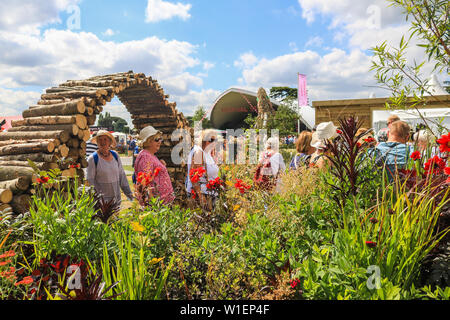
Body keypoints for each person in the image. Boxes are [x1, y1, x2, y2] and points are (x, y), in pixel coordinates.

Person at [87, 130, 133, 206]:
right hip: (102, 203)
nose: (102, 142)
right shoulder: (93, 159)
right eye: (100, 140)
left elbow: (122, 176)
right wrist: (98, 198)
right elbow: (90, 180)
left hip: (116, 200)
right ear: (97, 142)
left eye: (105, 139)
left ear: (110, 142)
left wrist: (129, 194)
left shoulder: (115, 156)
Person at [134, 126, 175, 205]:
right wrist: (153, 205)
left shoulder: (150, 155)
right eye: (156, 139)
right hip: (157, 204)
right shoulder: (146, 157)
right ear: (148, 141)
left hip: (161, 202)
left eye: (160, 139)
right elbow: (145, 183)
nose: (160, 142)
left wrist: (161, 165)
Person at [186, 129, 220, 208]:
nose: (213, 142)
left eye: (215, 140)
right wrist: (201, 196)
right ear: (203, 140)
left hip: (210, 193)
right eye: (210, 140)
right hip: (202, 194)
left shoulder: (207, 153)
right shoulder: (199, 152)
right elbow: (193, 176)